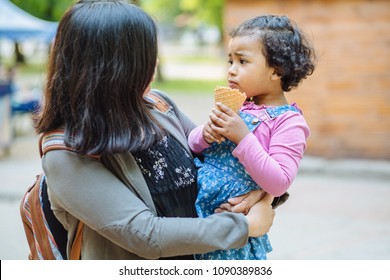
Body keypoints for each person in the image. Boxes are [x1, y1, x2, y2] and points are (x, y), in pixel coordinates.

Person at [33, 0, 275, 260]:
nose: (156, 61)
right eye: (145, 55)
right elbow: (145, 235)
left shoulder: (158, 105)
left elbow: (224, 161)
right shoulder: (65, 152)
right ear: (112, 68)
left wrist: (263, 193)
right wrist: (246, 226)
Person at [188, 15, 316, 260]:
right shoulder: (239, 106)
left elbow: (279, 182)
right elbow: (193, 145)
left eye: (242, 61)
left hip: (235, 236)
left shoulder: (288, 122)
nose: (231, 70)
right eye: (230, 61)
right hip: (198, 219)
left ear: (277, 70)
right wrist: (204, 134)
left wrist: (243, 137)